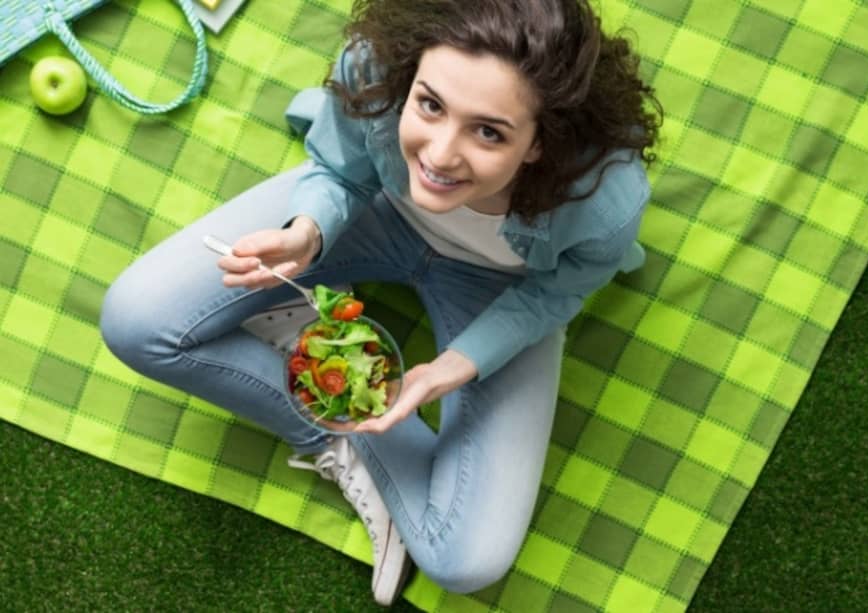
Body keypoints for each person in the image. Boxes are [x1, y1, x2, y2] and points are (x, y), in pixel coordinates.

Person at [100, 0, 661, 605]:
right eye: (430, 105)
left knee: (464, 561)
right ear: (410, 75)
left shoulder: (605, 200)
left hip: (501, 287)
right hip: (373, 216)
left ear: (538, 143)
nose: (441, 155)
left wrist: (454, 368)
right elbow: (339, 171)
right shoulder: (376, 64)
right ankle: (331, 416)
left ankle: (335, 395)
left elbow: (556, 294)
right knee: (134, 322)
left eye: (489, 131)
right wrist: (306, 233)